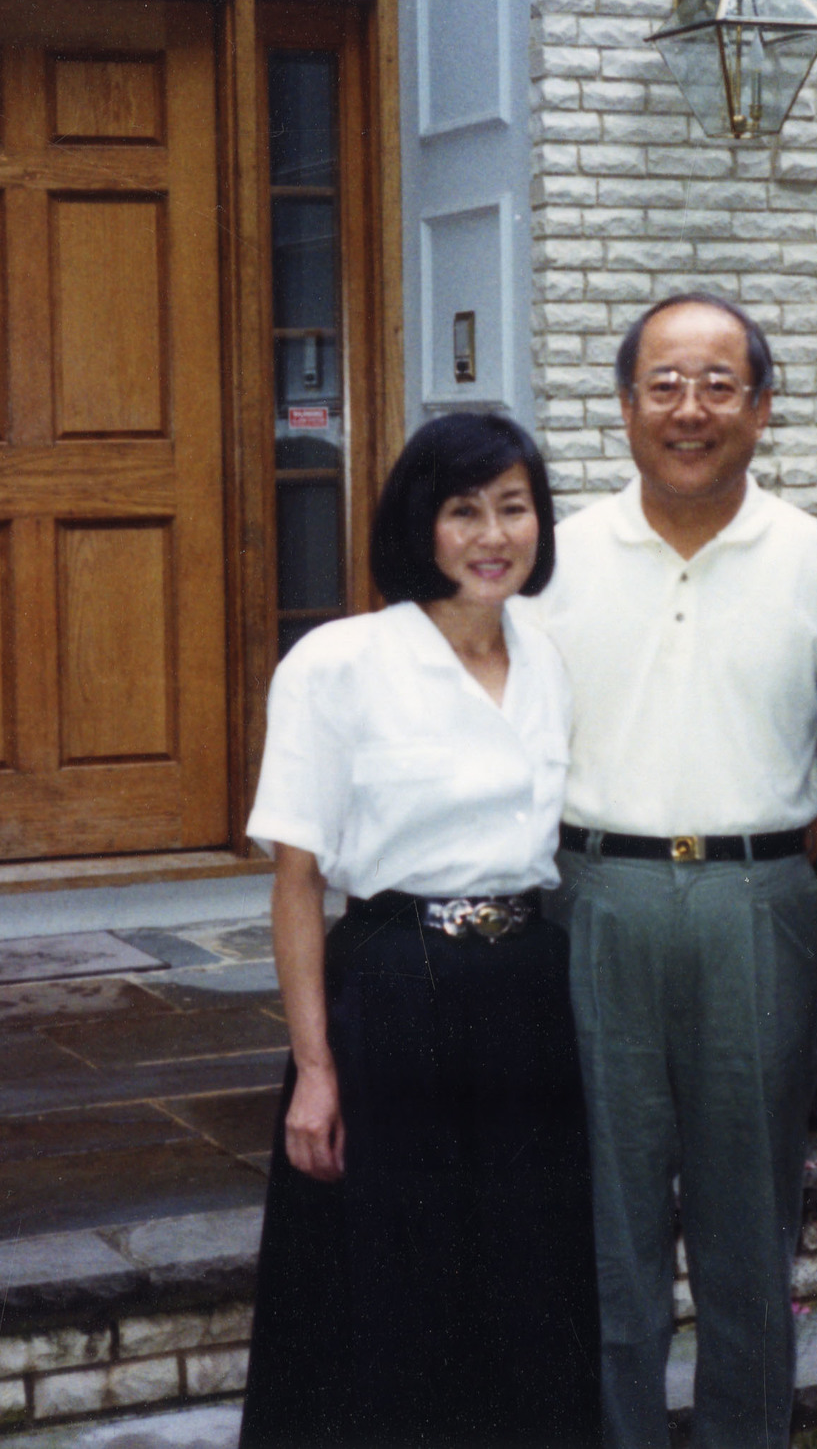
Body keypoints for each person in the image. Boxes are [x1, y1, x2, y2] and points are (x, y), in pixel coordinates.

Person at [530, 292, 817, 1448]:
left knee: (749, 1228)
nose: (691, 409)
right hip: (595, 903)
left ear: (762, 407)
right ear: (624, 404)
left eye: (719, 384)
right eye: (664, 383)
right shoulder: (553, 558)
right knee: (604, 1228)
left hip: (757, 903)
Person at [238, 412, 599, 1449]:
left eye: (515, 507)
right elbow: (297, 881)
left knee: (525, 1273)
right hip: (394, 989)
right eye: (463, 510)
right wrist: (315, 1068)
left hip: (528, 993)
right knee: (388, 1281)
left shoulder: (551, 658)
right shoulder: (340, 661)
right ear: (420, 525)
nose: (494, 533)